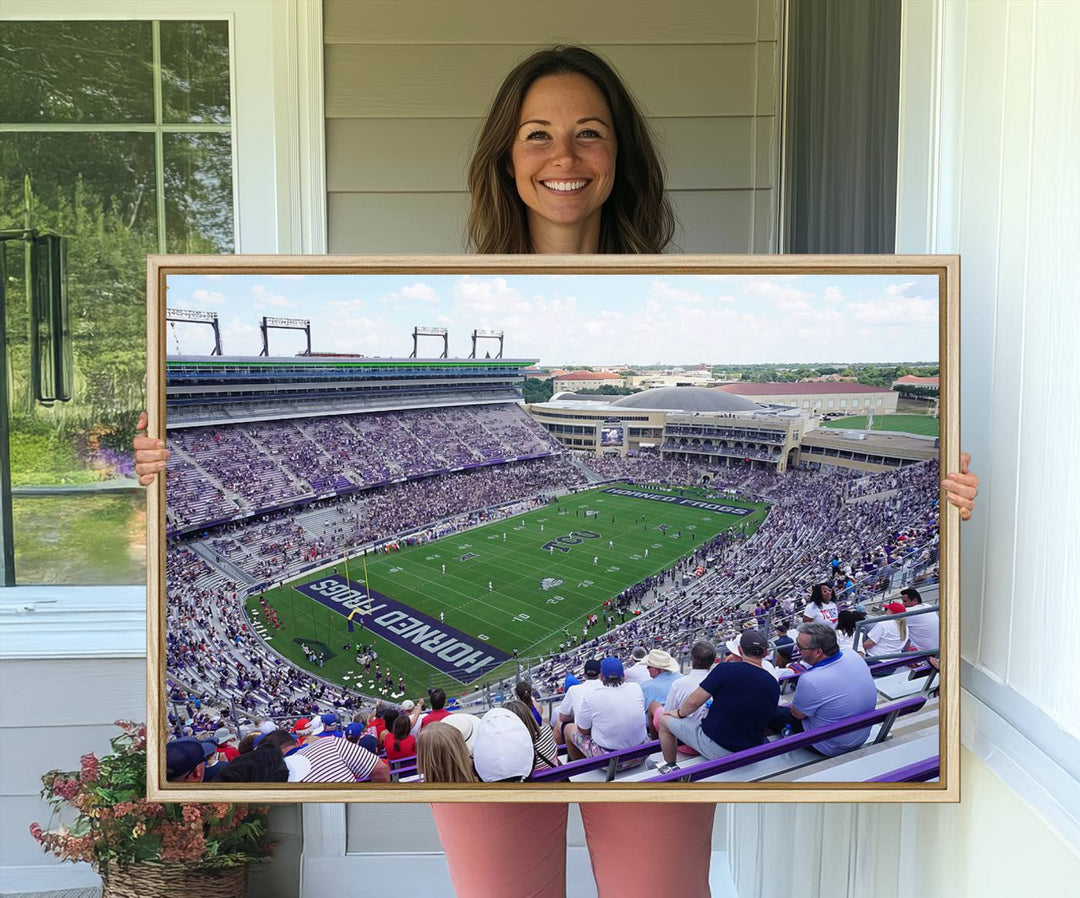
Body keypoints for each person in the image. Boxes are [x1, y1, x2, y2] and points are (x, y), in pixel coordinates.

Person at [132, 42, 980, 898]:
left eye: (590, 133)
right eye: (537, 134)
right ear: (506, 156)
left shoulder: (685, 288)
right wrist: (163, 466)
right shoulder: (445, 286)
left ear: (622, 156)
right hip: (488, 734)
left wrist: (941, 497)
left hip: (586, 732)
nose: (563, 156)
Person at [657, 630, 780, 774]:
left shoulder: (725, 669)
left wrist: (679, 713)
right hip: (750, 749)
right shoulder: (773, 684)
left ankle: (671, 769)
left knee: (663, 720)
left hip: (717, 746)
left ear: (740, 650)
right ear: (765, 653)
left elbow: (694, 701)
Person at [771, 623, 878, 756]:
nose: (797, 649)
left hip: (829, 745)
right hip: (860, 735)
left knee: (771, 710)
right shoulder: (853, 655)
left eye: (800, 647)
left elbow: (797, 714)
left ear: (818, 652)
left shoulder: (811, 680)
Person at [899, 587, 940, 652]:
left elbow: (888, 619)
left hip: (924, 653)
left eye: (905, 601)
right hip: (936, 649)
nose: (903, 604)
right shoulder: (927, 606)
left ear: (915, 600)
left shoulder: (910, 611)